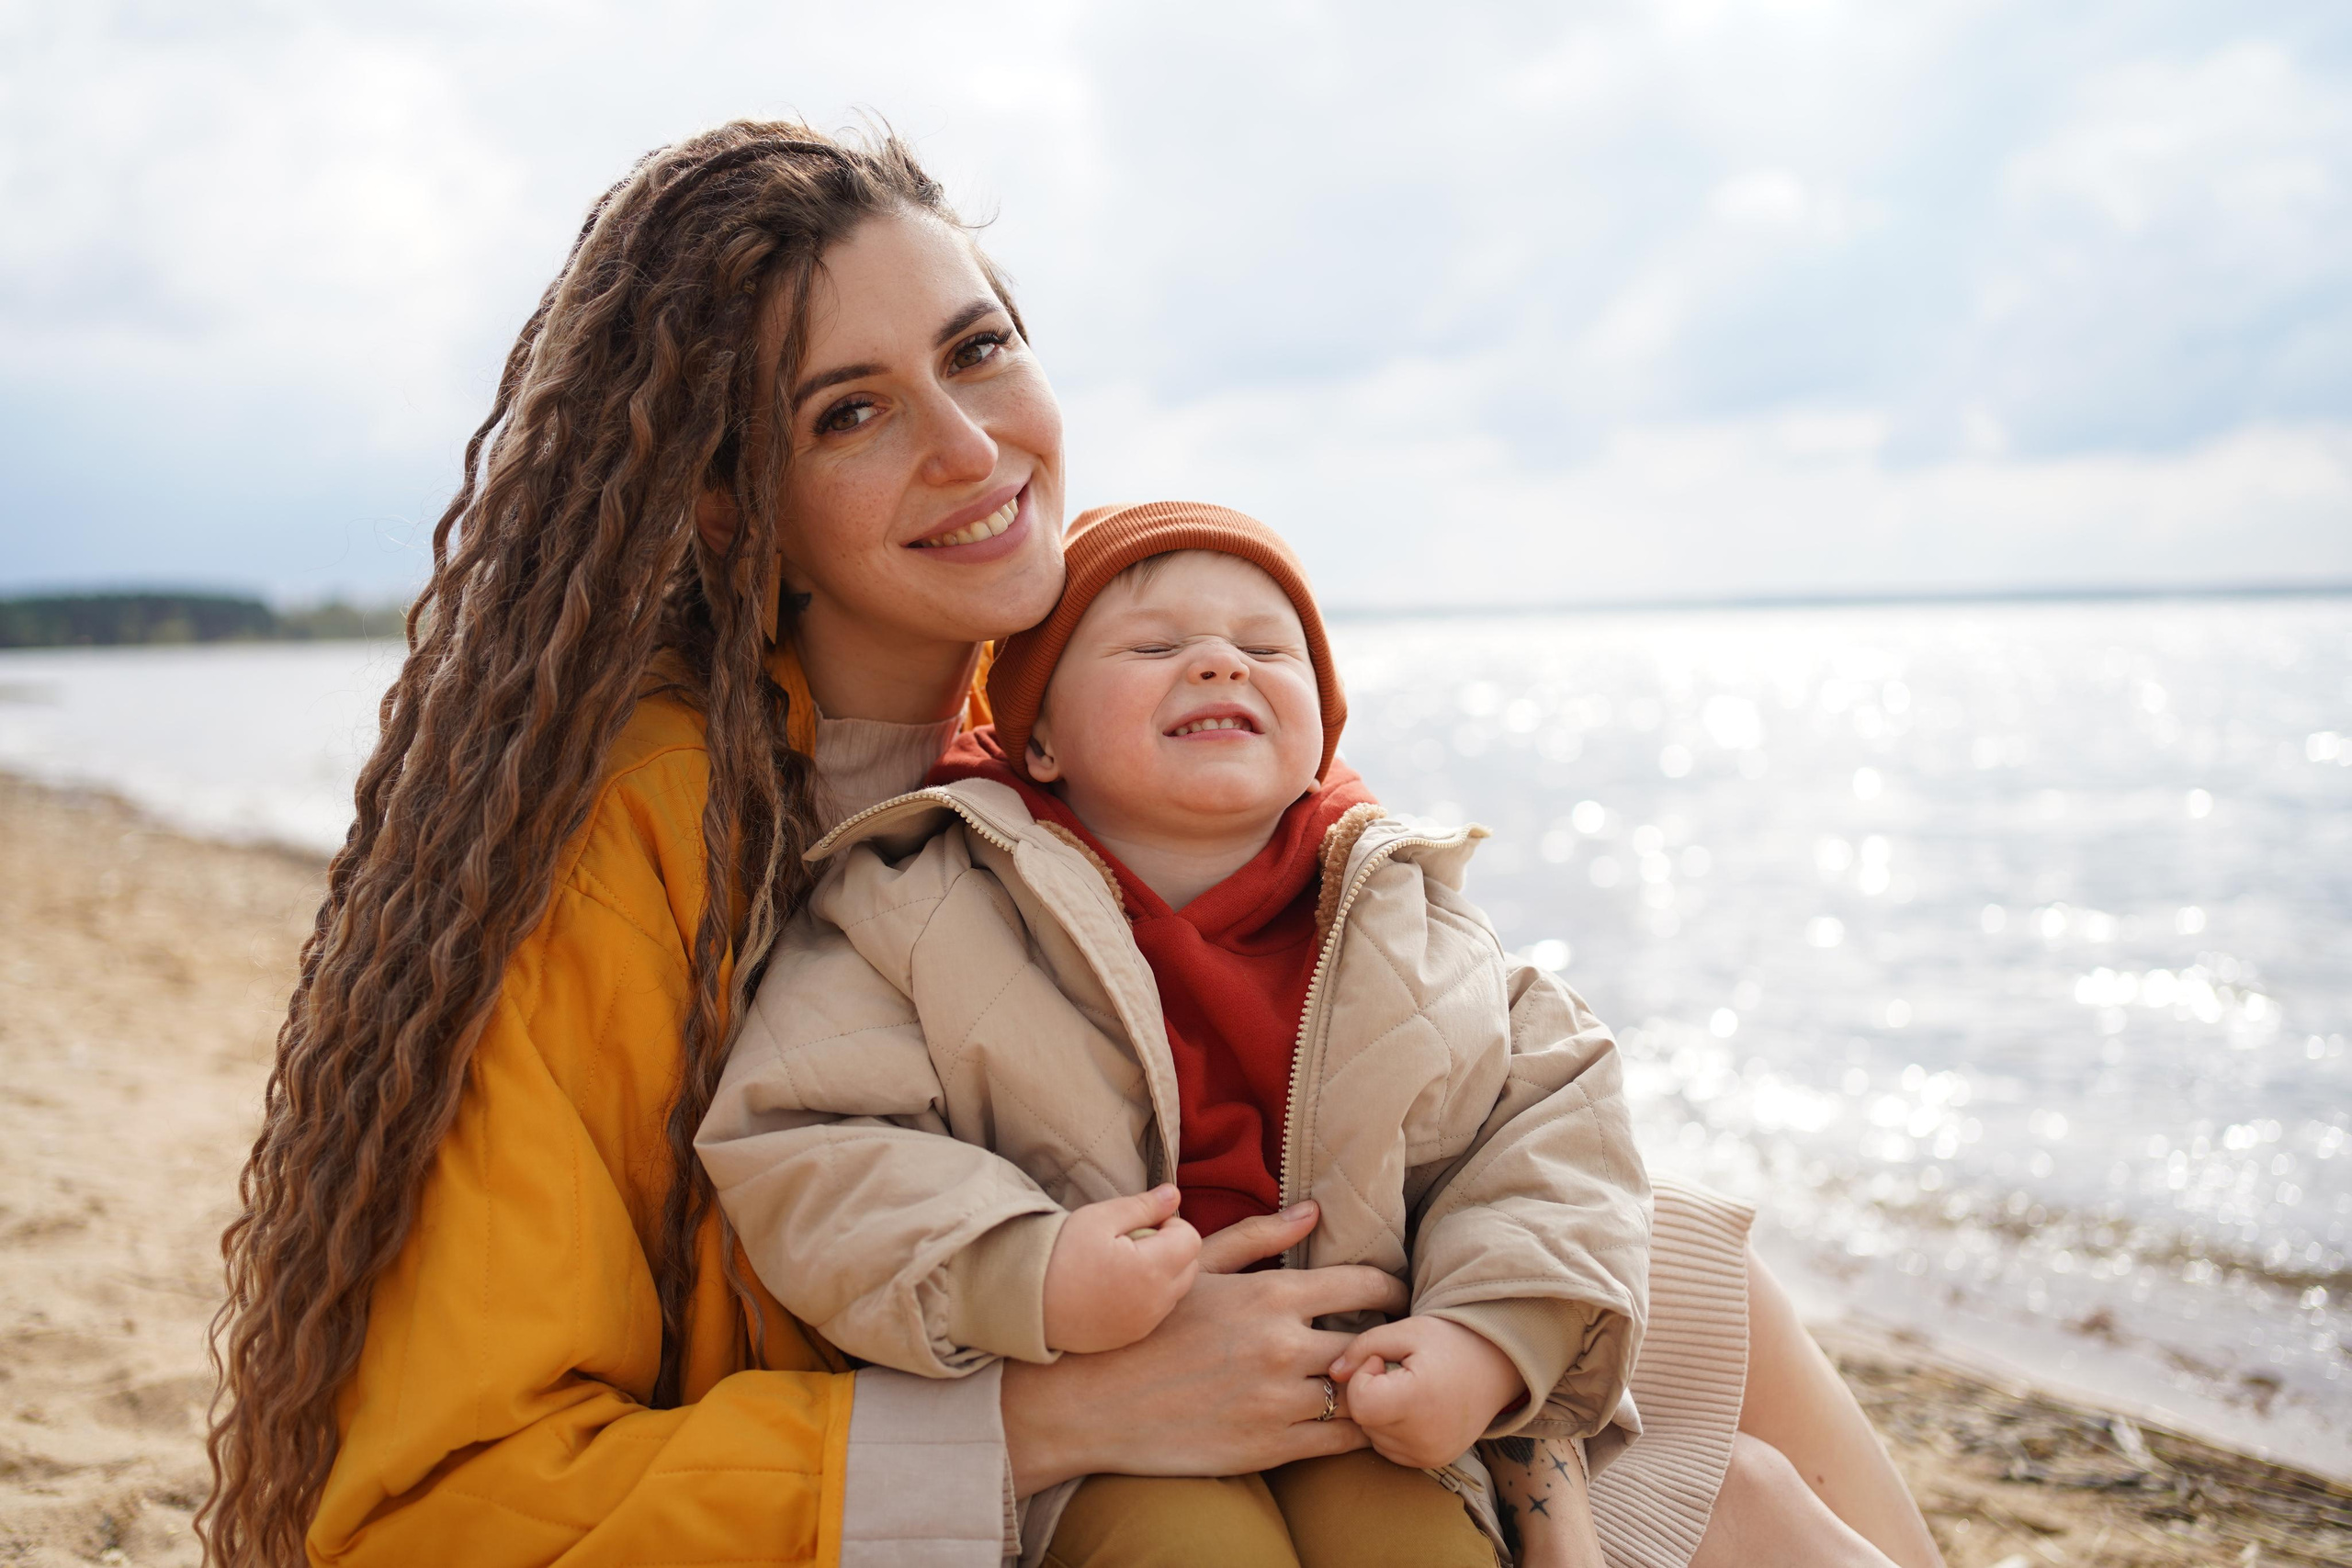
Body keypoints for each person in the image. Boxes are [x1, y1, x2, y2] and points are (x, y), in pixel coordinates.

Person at [203, 118, 1942, 1568]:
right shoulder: (625, 835)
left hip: (1304, 1381)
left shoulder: (1062, 701)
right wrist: (1059, 1411)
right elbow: (437, 1513)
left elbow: (1371, 1015)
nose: (972, 447)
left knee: (1717, 1306)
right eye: (849, 411)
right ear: (733, 495)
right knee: (1756, 1524)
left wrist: (1472, 1342)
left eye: (978, 350)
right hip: (972, 1452)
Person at [699, 502, 1652, 1565]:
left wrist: (1487, 1340)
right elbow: (811, 1132)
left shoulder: (1407, 917)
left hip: (1361, 1400)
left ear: (1320, 733)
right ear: (1041, 738)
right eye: (1154, 646)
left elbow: (1553, 1139)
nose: (1215, 665)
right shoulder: (919, 902)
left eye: (1264, 648)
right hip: (1098, 1419)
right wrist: (1025, 1267)